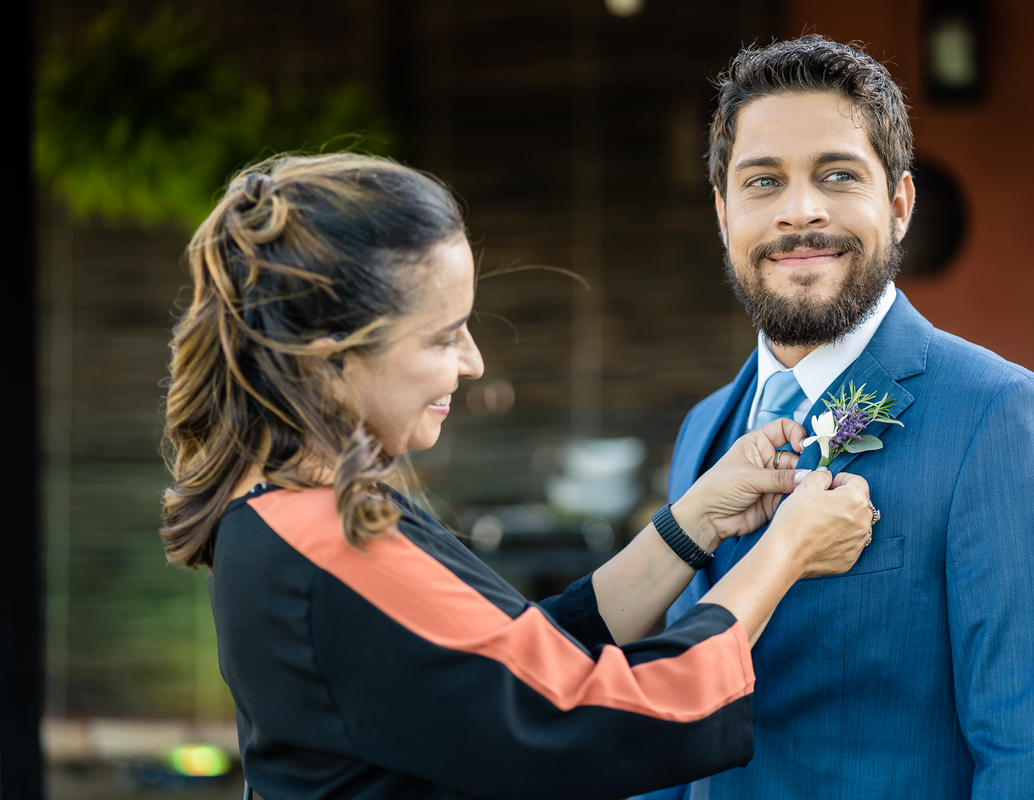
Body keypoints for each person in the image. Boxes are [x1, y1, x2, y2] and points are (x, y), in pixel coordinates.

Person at [159, 152, 876, 799]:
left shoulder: (281, 515)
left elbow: (518, 659)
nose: (472, 362)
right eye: (444, 336)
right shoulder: (332, 547)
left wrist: (693, 523)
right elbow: (585, 723)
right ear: (331, 355)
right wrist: (784, 555)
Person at [635, 36, 1034, 800]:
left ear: (898, 204)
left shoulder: (1006, 423)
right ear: (723, 215)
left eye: (836, 175)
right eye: (763, 182)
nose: (799, 211)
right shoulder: (704, 429)